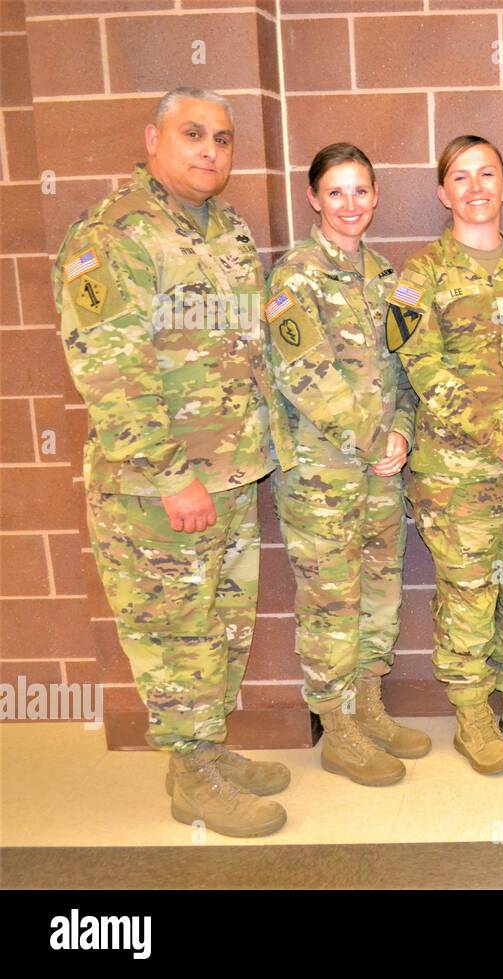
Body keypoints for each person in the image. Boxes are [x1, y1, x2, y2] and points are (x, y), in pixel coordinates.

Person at [54, 87, 293, 837]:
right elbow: (109, 369)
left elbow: (247, 351)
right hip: (160, 488)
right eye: (193, 134)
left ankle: (208, 750)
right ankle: (191, 774)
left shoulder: (226, 230)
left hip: (226, 473)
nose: (210, 151)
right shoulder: (113, 236)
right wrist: (170, 474)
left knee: (218, 629)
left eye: (222, 138)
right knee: (174, 633)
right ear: (151, 137)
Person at [389, 136, 503, 775]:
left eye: (486, 173)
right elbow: (423, 370)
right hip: (457, 476)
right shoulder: (418, 277)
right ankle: (471, 717)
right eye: (460, 177)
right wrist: (499, 438)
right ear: (443, 193)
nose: (475, 187)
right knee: (466, 597)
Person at [264, 143, 427, 788]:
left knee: (380, 593)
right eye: (336, 192)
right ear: (314, 199)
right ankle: (338, 729)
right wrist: (374, 436)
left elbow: (410, 374)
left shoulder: (391, 281)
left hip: (381, 472)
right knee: (332, 603)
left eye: (361, 191)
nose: (350, 205)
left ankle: (369, 707)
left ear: (376, 195)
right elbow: (306, 375)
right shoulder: (293, 278)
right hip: (321, 477)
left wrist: (404, 435)